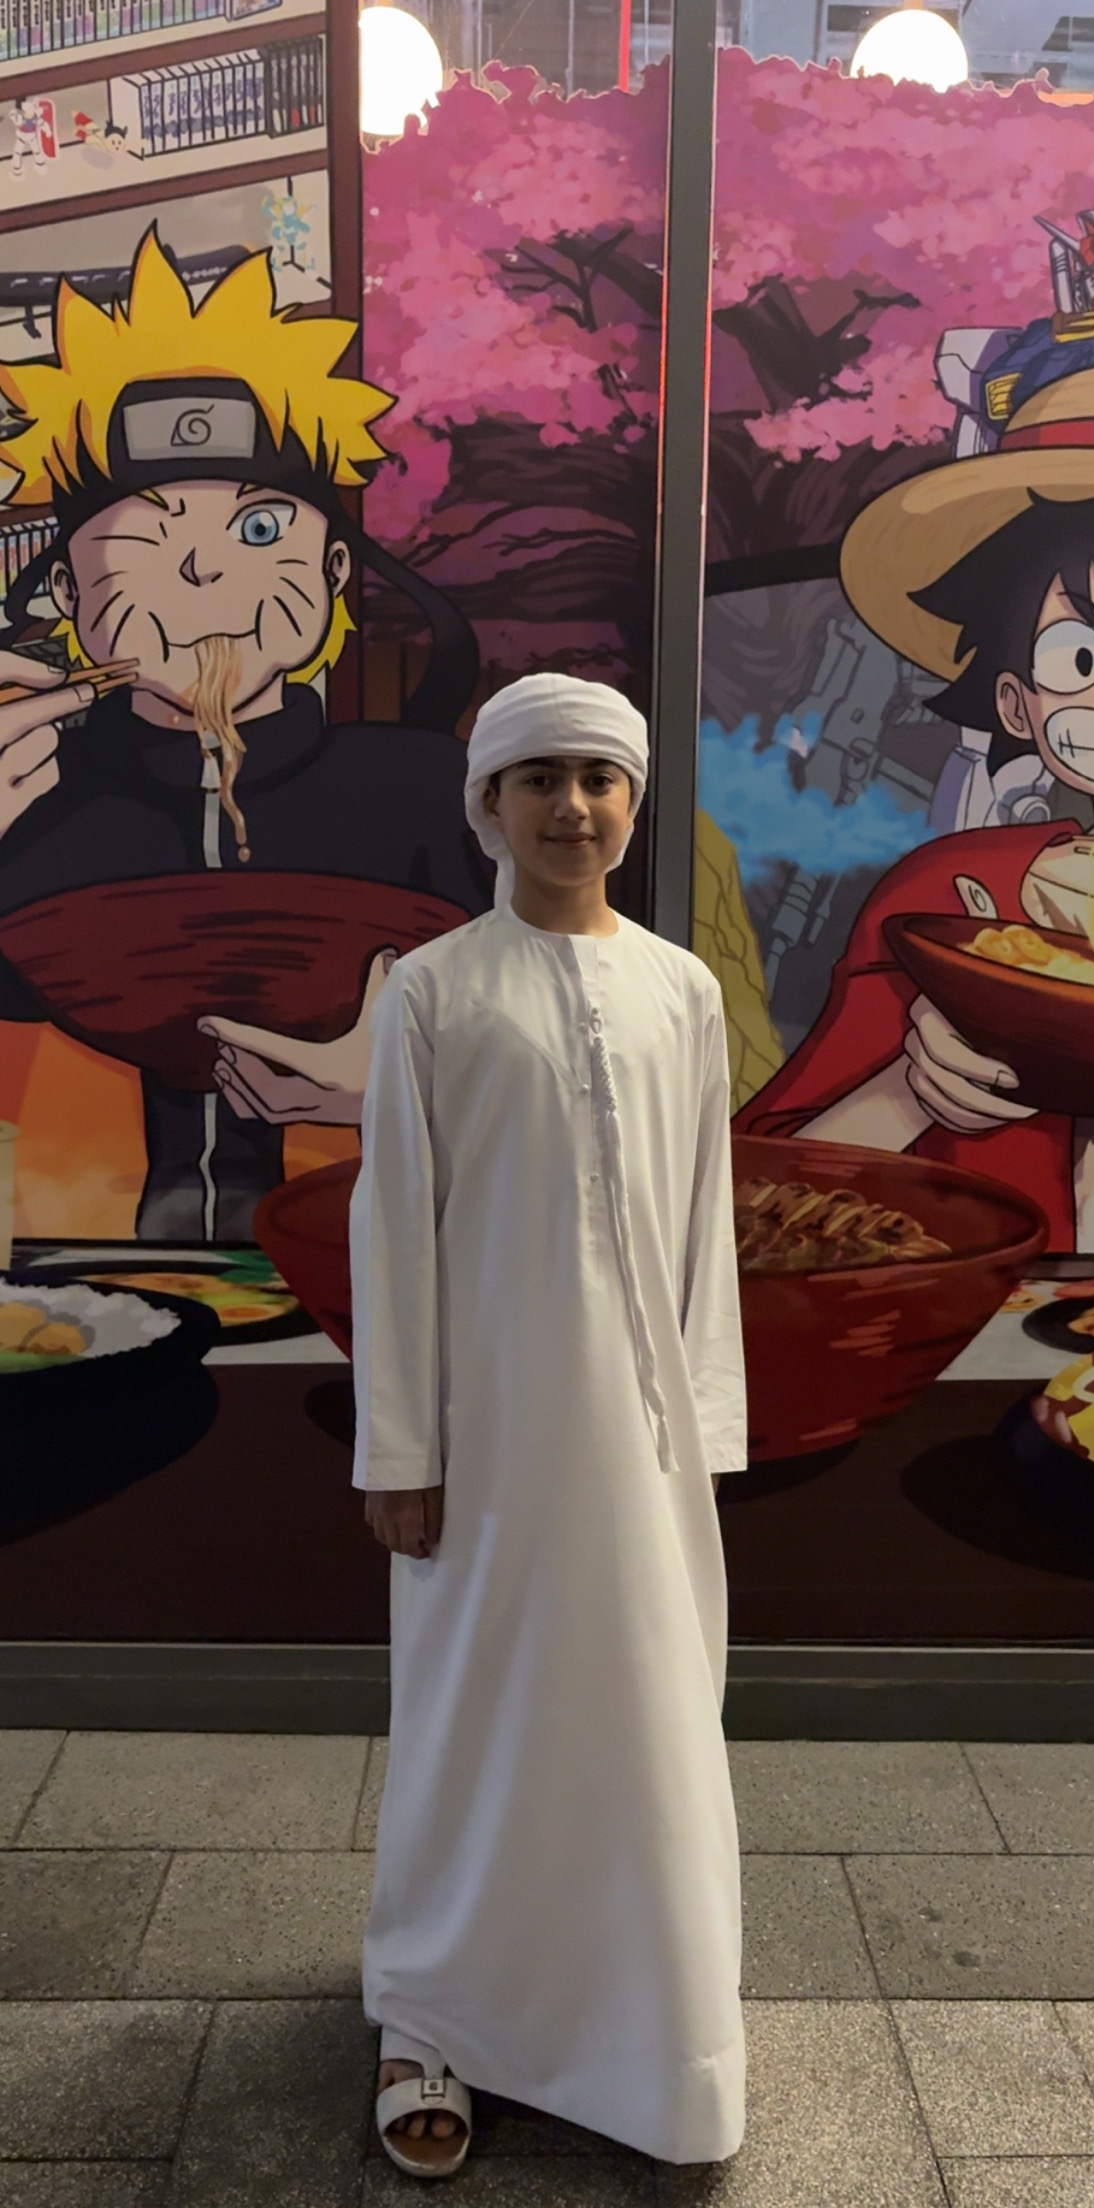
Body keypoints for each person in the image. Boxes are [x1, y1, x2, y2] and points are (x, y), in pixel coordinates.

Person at [350, 672, 748, 2177]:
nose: (571, 809)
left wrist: (705, 1421)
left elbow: (703, 1225)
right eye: (540, 780)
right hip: (491, 1440)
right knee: (475, 1721)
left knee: (646, 1718)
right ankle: (433, 2012)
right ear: (490, 804)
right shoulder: (432, 991)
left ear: (632, 803)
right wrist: (402, 1450)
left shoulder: (682, 991)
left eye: (598, 779)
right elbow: (396, 1235)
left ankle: (653, 2024)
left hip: (642, 1445)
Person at [0, 228, 488, 1241]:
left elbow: (550, 1037)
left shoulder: (425, 792)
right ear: (65, 594)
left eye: (261, 529)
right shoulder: (34, 796)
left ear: (337, 572)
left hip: (373, 1271)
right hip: (73, 1273)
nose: (204, 571)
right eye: (145, 536)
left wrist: (403, 1092)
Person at [740, 362, 1094, 1256]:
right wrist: (910, 1092)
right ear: (1016, 704)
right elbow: (762, 1201)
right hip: (989, 1321)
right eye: (1077, 658)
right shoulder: (948, 896)